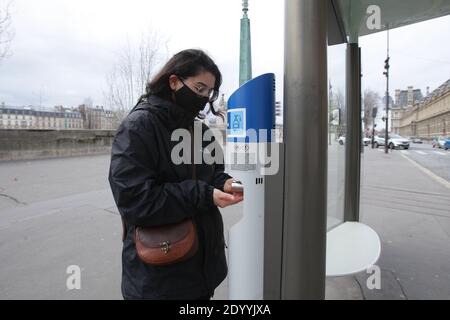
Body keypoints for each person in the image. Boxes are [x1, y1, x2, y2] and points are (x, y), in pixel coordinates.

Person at [108, 49, 243, 300]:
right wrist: (203, 194)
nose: (203, 98)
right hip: (158, 281)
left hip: (200, 271)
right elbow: (135, 200)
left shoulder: (200, 130)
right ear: (174, 81)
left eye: (208, 93)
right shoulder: (138, 126)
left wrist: (225, 183)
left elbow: (211, 173)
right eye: (199, 88)